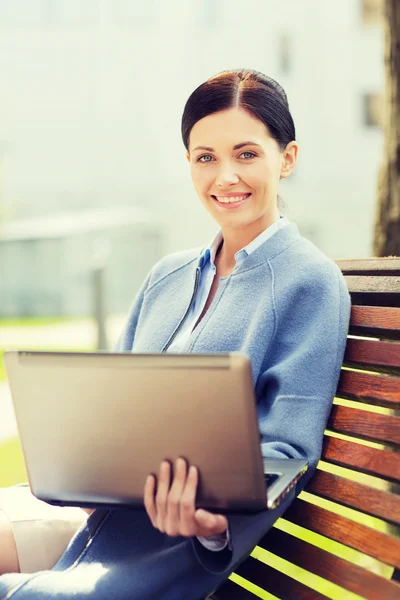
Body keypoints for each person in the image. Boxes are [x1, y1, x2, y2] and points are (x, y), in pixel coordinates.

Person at [0, 68, 351, 599]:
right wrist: (81, 468)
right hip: (102, 519)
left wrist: (213, 529)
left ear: (288, 158)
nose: (225, 176)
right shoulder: (167, 274)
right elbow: (112, 408)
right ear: (188, 163)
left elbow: (288, 448)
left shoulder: (310, 282)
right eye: (205, 157)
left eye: (247, 154)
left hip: (177, 549)